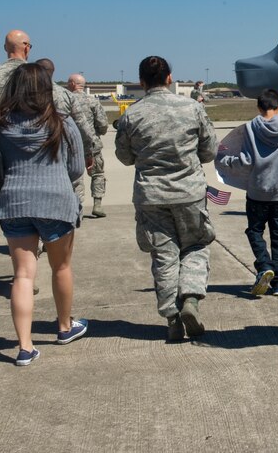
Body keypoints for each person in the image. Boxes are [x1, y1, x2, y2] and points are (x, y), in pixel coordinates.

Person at [115, 56, 218, 341]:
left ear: (142, 82)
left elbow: (123, 157)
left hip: (151, 196)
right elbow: (209, 151)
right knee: (196, 246)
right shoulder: (192, 108)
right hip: (189, 193)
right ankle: (191, 301)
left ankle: (172, 317)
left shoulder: (131, 115)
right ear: (170, 78)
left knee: (164, 256)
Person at [0, 64, 88, 365]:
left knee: (22, 274)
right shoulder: (61, 123)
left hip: (14, 202)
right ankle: (64, 326)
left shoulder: (2, 126)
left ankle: (24, 346)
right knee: (61, 267)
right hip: (56, 203)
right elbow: (75, 168)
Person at [220, 88, 278, 297]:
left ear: (258, 107)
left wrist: (224, 161)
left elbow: (245, 161)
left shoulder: (251, 128)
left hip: (256, 192)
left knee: (254, 231)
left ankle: (264, 265)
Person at [67, 73, 110, 217]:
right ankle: (97, 205)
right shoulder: (92, 101)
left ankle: (76, 206)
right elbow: (103, 124)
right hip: (92, 145)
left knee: (74, 178)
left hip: (71, 146)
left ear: (73, 84)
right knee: (97, 174)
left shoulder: (66, 100)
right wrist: (96, 132)